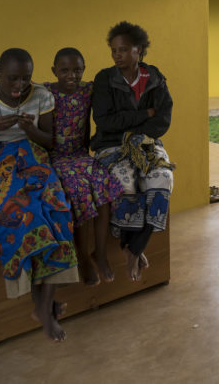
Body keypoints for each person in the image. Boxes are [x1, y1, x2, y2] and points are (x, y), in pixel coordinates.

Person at [0, 48, 78, 342]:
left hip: (34, 156)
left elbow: (49, 142)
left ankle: (44, 305)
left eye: (26, 78)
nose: (19, 85)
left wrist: (29, 130)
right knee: (23, 214)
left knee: (58, 212)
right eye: (12, 78)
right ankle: (41, 304)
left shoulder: (42, 96)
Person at [91, 21, 174, 282]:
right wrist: (142, 114)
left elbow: (162, 121)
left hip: (147, 144)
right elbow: (104, 121)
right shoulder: (105, 79)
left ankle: (134, 248)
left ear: (139, 50)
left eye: (123, 50)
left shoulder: (155, 78)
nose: (117, 55)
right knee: (125, 182)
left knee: (162, 180)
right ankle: (133, 250)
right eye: (114, 50)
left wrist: (133, 125)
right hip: (111, 146)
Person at [44, 47, 123, 286]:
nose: (71, 75)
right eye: (64, 70)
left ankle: (99, 252)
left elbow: (114, 87)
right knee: (79, 192)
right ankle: (82, 255)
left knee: (104, 184)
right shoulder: (46, 92)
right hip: (56, 158)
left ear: (84, 70)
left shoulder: (88, 90)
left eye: (77, 70)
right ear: (54, 71)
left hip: (80, 155)